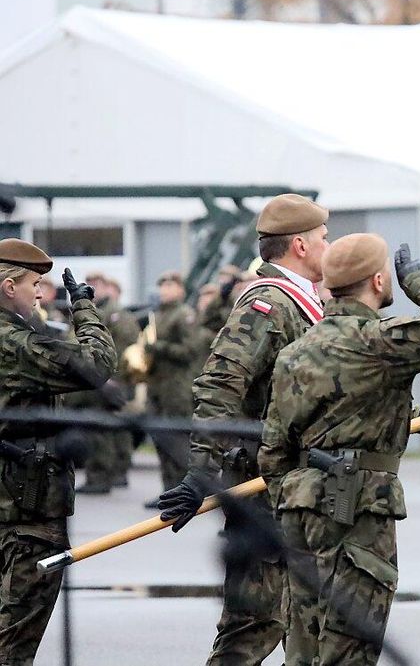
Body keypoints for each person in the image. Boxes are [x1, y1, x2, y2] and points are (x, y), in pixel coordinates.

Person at [260, 234, 420, 665]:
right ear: (378, 280)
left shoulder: (297, 350)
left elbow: (275, 448)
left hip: (298, 508)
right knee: (350, 646)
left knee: (303, 646)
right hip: (357, 506)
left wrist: (409, 417)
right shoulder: (378, 340)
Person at [157, 193, 330, 665]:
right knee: (254, 625)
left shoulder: (307, 303)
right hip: (265, 488)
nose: (328, 246)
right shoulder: (267, 304)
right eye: (323, 238)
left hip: (300, 489)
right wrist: (201, 470)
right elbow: (220, 384)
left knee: (308, 629)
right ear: (300, 245)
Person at [0, 240, 115, 664]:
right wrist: (83, 306)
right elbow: (96, 364)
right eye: (35, 283)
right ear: (9, 287)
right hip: (23, 515)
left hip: (13, 504)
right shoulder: (12, 342)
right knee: (13, 645)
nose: (40, 293)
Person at [75, 272, 140, 494]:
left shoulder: (115, 313)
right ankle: (100, 475)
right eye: (90, 284)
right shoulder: (94, 311)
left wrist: (115, 376)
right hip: (95, 378)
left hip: (112, 378)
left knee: (105, 429)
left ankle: (102, 476)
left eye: (97, 284)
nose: (93, 288)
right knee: (98, 428)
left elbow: (125, 347)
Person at [140, 272, 199, 508]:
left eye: (169, 285)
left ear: (180, 290)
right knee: (161, 441)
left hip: (177, 389)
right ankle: (168, 490)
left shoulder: (184, 314)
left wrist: (158, 347)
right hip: (157, 387)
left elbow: (190, 350)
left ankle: (183, 491)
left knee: (177, 442)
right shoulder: (158, 314)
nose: (164, 289)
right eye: (162, 285)